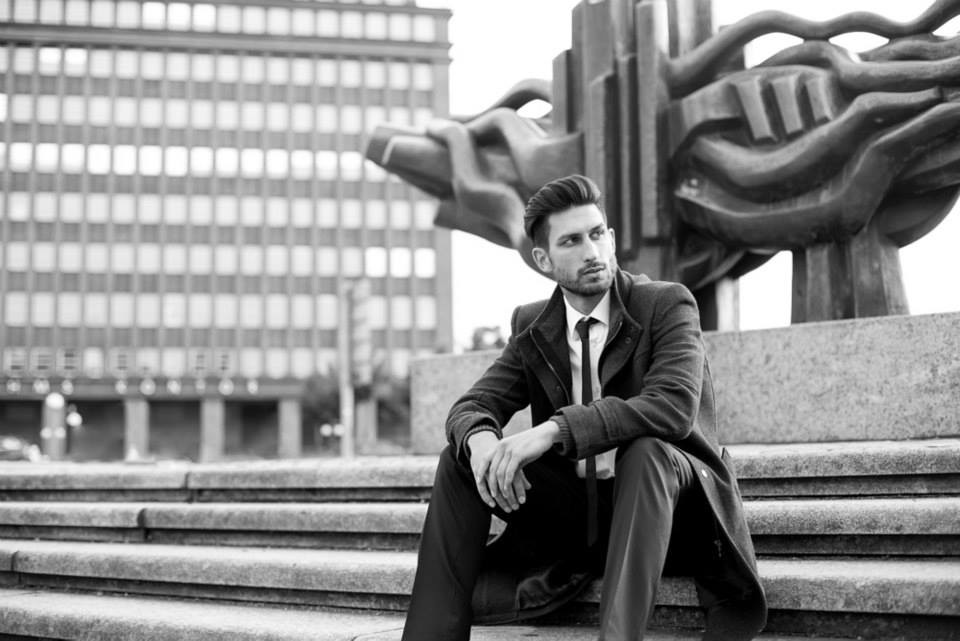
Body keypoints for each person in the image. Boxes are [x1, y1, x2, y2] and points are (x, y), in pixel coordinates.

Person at [401, 174, 767, 640]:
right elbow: (472, 405)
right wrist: (481, 441)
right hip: (581, 523)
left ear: (611, 238)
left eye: (596, 235)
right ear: (543, 259)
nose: (591, 252)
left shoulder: (666, 304)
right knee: (460, 460)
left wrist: (552, 430)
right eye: (571, 241)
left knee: (647, 451)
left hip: (673, 518)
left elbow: (672, 408)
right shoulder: (534, 324)